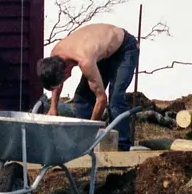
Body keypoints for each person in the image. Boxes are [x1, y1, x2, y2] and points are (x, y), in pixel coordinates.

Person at [37, 22, 138, 151]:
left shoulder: (85, 60)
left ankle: (122, 146)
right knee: (82, 97)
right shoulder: (56, 54)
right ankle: (82, 141)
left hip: (124, 48)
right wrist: (53, 108)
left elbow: (101, 99)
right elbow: (58, 83)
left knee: (116, 99)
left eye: (62, 79)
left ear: (66, 70)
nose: (65, 80)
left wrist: (91, 131)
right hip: (102, 52)